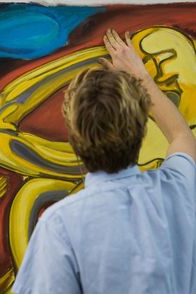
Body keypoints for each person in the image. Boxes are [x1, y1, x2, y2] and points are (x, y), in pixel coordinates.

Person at [12, 29, 196, 294]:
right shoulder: (177, 194)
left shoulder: (61, 225)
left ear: (74, 141)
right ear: (143, 131)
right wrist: (141, 78)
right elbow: (181, 135)